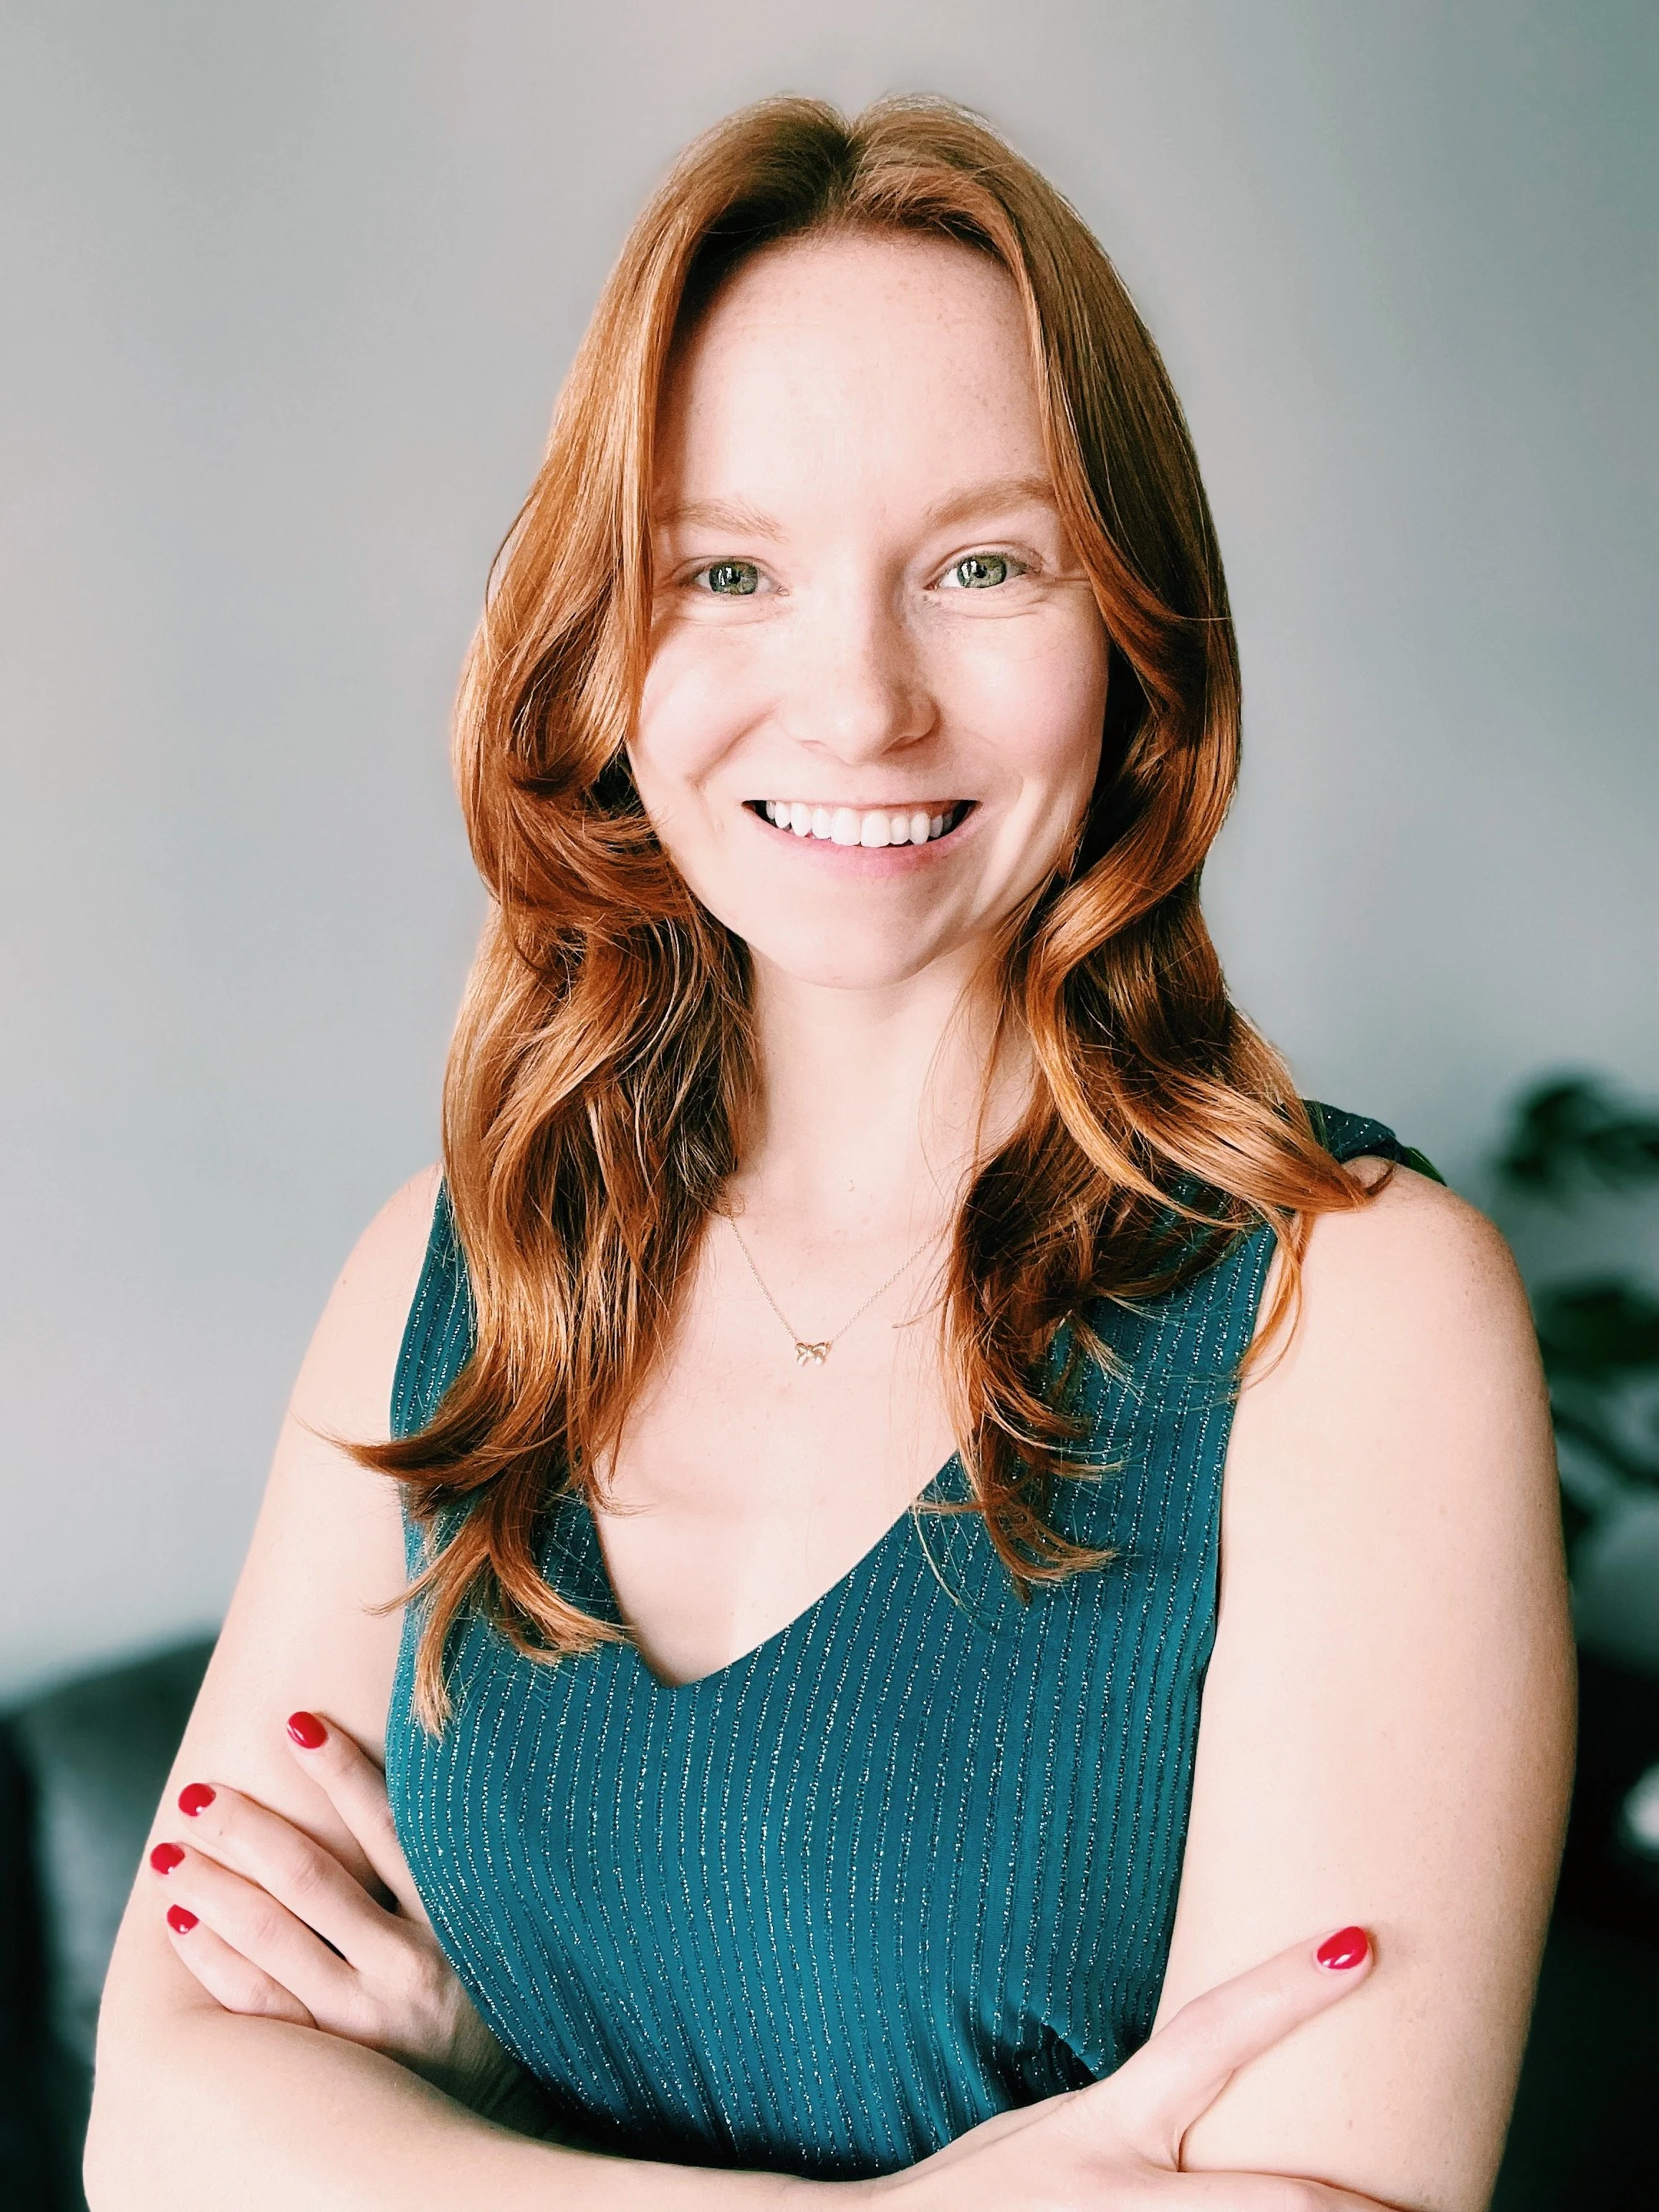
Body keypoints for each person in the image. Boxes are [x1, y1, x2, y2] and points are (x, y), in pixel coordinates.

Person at [86, 97, 1572, 2211]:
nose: (857, 700)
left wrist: (448, 2141)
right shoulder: (449, 1276)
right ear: (604, 648)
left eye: (981, 565)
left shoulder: (1352, 1305)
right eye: (728, 571)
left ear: (1135, 632)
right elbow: (159, 2137)